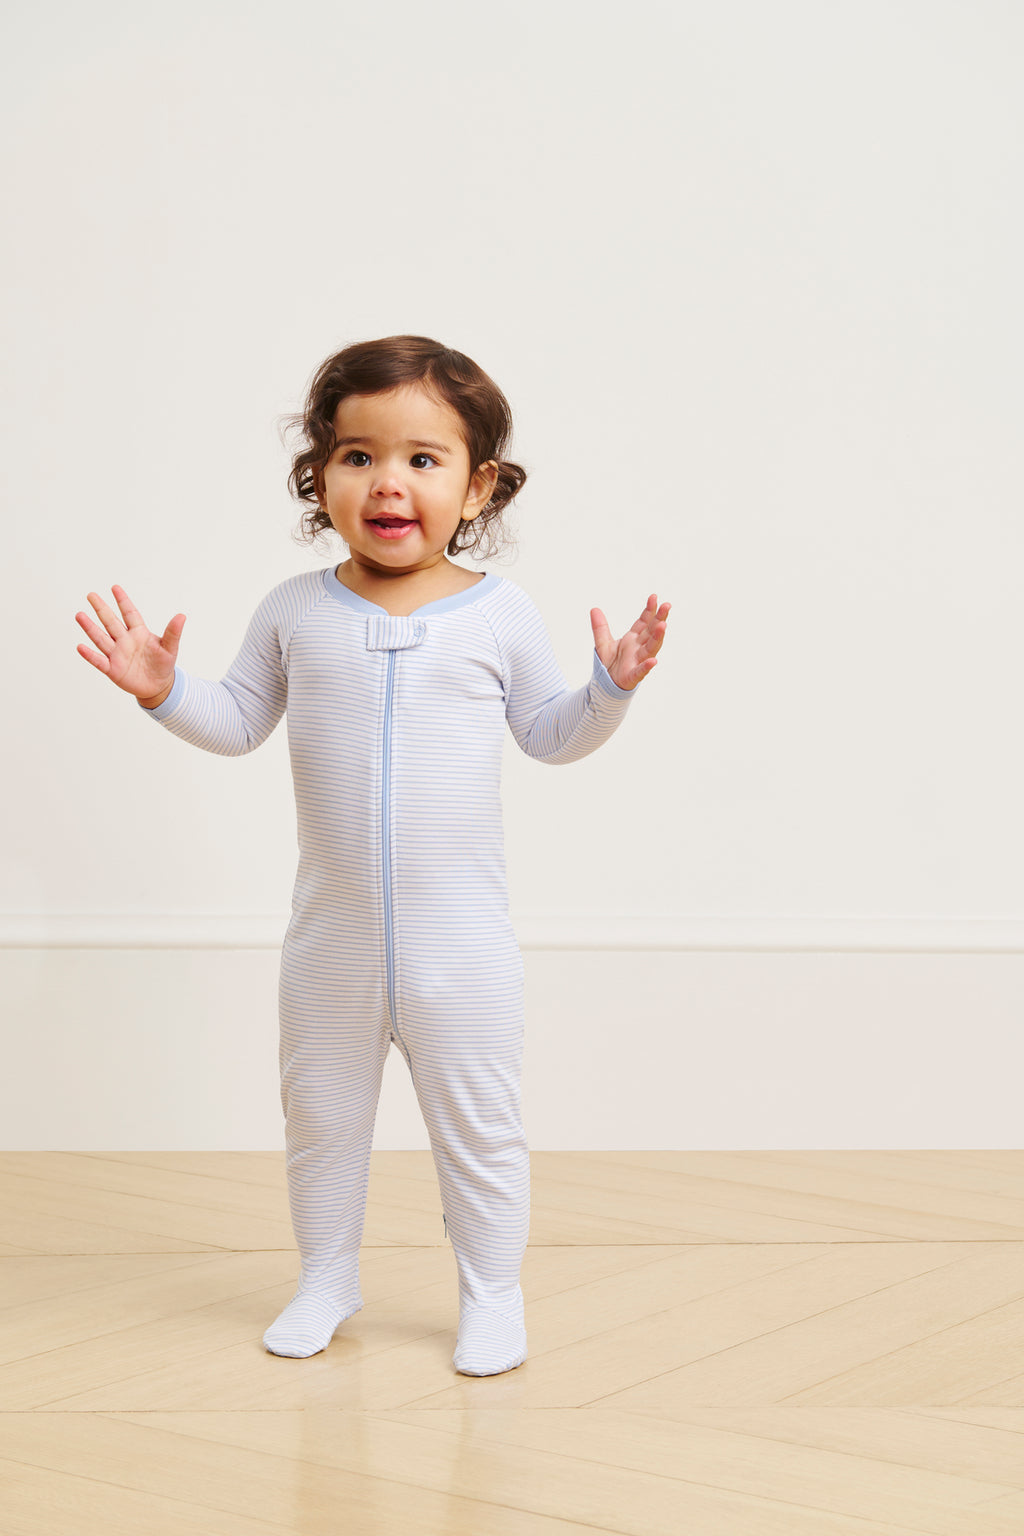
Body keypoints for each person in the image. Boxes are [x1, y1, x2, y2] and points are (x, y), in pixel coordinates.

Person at [75, 335, 670, 1376]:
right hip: (331, 943)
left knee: (481, 1129)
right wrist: (164, 688)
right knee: (320, 1119)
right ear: (321, 476)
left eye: (422, 460)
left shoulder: (499, 615)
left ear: (479, 485)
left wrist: (607, 691)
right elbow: (234, 721)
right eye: (357, 456)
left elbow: (550, 733)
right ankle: (325, 1278)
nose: (387, 481)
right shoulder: (294, 611)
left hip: (462, 947)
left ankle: (491, 1295)